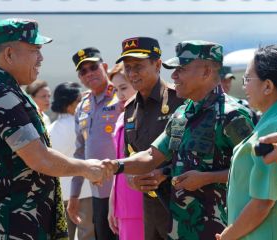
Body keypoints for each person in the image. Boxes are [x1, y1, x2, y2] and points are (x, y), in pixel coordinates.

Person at [0, 18, 110, 239]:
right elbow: (39, 158)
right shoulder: (0, 96)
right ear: (9, 54)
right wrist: (86, 168)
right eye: (35, 50)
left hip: (16, 222)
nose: (41, 58)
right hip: (13, 226)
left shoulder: (2, 89)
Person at [104, 40, 254, 240]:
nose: (173, 76)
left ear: (206, 72)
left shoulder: (232, 115)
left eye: (181, 69)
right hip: (181, 229)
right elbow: (151, 156)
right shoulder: (182, 114)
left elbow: (256, 170)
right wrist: (113, 166)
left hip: (222, 230)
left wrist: (208, 177)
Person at [216, 45, 277, 240]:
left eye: (247, 79)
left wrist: (228, 236)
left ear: (268, 86)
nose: (244, 86)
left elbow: (263, 201)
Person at [114, 36, 184, 240]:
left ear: (158, 64)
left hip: (181, 206)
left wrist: (164, 172)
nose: (132, 73)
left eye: (138, 66)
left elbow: (195, 154)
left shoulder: (178, 100)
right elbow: (130, 155)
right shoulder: (130, 109)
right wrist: (131, 179)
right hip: (151, 210)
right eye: (127, 67)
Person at [68, 47, 120, 240]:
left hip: (123, 190)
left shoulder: (121, 96)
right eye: (83, 71)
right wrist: (74, 196)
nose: (89, 73)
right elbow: (80, 153)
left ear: (104, 66)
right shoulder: (82, 106)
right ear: (80, 77)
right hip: (98, 193)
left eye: (93, 67)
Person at [48, 82, 95, 240]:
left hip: (61, 193)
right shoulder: (84, 126)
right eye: (79, 100)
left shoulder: (50, 129)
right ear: (70, 105)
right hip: (85, 190)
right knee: (87, 235)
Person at [107, 62, 144, 240]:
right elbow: (119, 162)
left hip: (140, 199)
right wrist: (112, 203)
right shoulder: (123, 115)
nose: (119, 95)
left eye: (123, 88)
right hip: (123, 201)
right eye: (115, 90)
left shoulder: (147, 114)